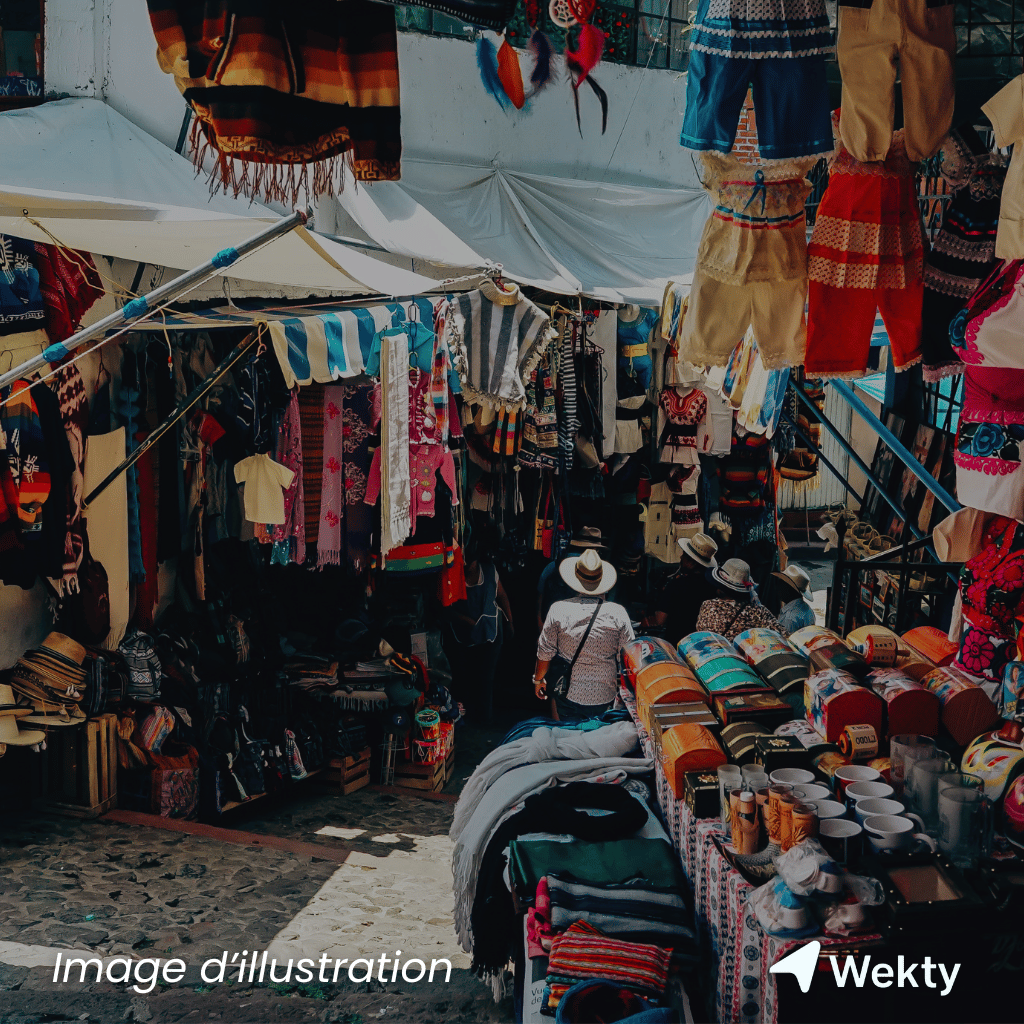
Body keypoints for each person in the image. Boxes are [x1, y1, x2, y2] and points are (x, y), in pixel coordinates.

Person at [533, 548, 634, 721]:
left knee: (568, 740)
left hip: (569, 694)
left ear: (576, 579)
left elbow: (545, 652)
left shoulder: (558, 609)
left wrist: (538, 680)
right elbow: (628, 657)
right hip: (605, 695)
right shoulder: (618, 613)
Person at [443, 542, 512, 723]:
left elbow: (502, 595)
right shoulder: (453, 576)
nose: (466, 565)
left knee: (486, 677)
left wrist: (510, 621)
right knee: (464, 675)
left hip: (491, 632)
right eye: (463, 562)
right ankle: (462, 715)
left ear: (476, 561)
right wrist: (469, 622)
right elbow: (446, 610)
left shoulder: (489, 571)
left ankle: (485, 718)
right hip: (463, 633)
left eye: (469, 562)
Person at [641, 533, 719, 644]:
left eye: (684, 555)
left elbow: (660, 620)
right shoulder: (714, 588)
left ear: (692, 562)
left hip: (678, 644)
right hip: (703, 645)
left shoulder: (677, 585)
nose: (681, 557)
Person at [536, 526, 612, 630]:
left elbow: (540, 594)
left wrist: (539, 621)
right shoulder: (598, 571)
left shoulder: (553, 565)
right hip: (581, 627)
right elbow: (602, 602)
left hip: (551, 623)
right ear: (595, 549)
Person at [695, 558, 788, 640]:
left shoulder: (707, 606)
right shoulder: (758, 612)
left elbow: (700, 634)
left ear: (722, 588)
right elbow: (784, 634)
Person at [773, 564, 816, 634]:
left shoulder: (789, 618)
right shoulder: (808, 609)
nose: (778, 587)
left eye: (781, 584)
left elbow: (786, 642)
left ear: (788, 589)